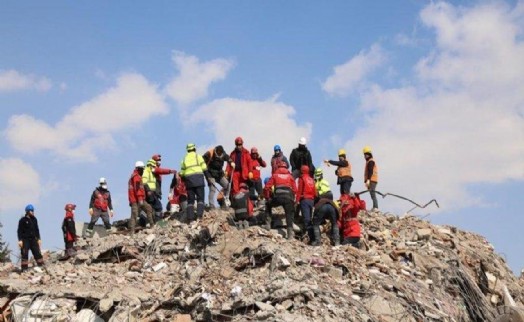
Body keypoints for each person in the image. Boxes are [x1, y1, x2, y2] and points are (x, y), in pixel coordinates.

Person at [264, 161, 297, 239]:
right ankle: (290, 235)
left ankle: (268, 225)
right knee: (288, 214)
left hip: (278, 198)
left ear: (278, 167)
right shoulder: (290, 177)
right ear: (286, 167)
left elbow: (266, 188)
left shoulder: (275, 175)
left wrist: (268, 197)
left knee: (268, 204)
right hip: (289, 198)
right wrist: (293, 199)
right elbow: (295, 190)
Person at [180, 143, 209, 222]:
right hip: (199, 180)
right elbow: (204, 168)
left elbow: (181, 172)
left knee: (190, 200)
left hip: (189, 181)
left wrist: (184, 180)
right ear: (195, 149)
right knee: (200, 199)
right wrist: (208, 179)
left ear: (187, 150)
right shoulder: (198, 156)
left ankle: (190, 218)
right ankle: (199, 216)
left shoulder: (184, 159)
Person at [128, 161, 154, 234]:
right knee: (134, 214)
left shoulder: (137, 176)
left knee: (148, 208)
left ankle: (152, 225)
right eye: (142, 169)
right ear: (139, 169)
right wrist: (140, 199)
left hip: (140, 199)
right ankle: (132, 232)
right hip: (135, 200)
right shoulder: (136, 177)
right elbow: (138, 189)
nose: (143, 170)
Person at [17, 204, 44, 272]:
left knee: (37, 252)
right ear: (27, 211)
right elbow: (19, 230)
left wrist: (39, 238)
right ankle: (24, 268)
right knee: (25, 253)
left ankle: (41, 265)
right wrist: (20, 240)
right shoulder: (22, 220)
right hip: (25, 239)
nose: (32, 212)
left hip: (33, 239)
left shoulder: (34, 219)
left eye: (33, 210)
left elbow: (37, 229)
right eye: (31, 211)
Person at [297, 165, 317, 244]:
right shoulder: (312, 179)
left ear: (302, 171)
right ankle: (312, 237)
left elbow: (299, 190)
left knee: (306, 219)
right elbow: (315, 192)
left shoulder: (302, 178)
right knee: (309, 218)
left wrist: (297, 201)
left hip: (304, 200)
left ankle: (310, 237)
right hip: (311, 200)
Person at [363, 146, 379, 211]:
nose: (365, 156)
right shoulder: (368, 162)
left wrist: (368, 180)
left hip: (372, 179)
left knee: (373, 193)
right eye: (364, 155)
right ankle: (375, 207)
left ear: (369, 154)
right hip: (371, 180)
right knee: (372, 194)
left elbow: (370, 171)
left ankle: (375, 207)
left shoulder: (371, 161)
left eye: (366, 154)